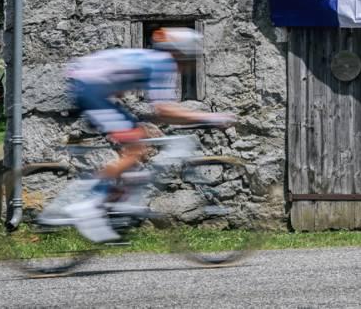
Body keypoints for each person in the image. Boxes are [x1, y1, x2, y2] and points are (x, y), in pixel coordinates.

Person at [45, 28, 234, 242]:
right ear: (180, 53)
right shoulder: (163, 63)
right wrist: (209, 118)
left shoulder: (154, 59)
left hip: (92, 88)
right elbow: (164, 111)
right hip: (89, 90)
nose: (188, 65)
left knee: (138, 142)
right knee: (135, 149)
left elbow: (123, 83)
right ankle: (88, 205)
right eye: (189, 59)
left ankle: (114, 203)